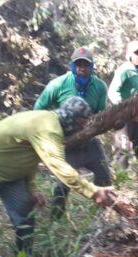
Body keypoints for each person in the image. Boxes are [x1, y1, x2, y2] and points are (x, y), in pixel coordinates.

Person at [0, 97, 117, 257]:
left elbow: (30, 154)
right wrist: (93, 191)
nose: (83, 127)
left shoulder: (48, 122)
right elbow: (57, 165)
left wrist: (32, 189)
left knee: (25, 216)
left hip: (11, 174)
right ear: (70, 118)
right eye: (81, 122)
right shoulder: (48, 129)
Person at [34, 47, 112, 218]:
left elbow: (101, 115)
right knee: (62, 185)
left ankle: (103, 218)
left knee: (104, 177)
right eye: (78, 64)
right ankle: (56, 220)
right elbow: (38, 110)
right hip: (67, 144)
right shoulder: (58, 84)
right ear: (72, 66)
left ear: (92, 67)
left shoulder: (99, 87)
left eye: (86, 64)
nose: (82, 68)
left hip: (89, 142)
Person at [108, 40, 138, 165]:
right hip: (124, 118)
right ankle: (120, 182)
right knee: (122, 150)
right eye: (137, 52)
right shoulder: (124, 70)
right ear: (129, 54)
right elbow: (112, 92)